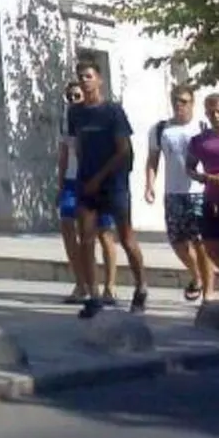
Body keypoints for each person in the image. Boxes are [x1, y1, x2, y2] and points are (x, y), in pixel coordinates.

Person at [68, 58, 148, 317]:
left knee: (125, 238)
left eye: (89, 76)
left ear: (99, 79)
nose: (84, 80)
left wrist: (99, 177)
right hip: (86, 182)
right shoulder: (76, 112)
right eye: (81, 76)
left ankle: (141, 286)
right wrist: (83, 176)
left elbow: (123, 150)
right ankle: (93, 295)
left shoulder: (113, 111)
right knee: (86, 238)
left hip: (113, 183)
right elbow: (77, 143)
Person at [145, 82, 214, 302]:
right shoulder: (160, 129)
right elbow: (153, 159)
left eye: (183, 101)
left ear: (192, 103)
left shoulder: (202, 127)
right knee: (177, 241)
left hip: (198, 191)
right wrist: (149, 185)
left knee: (201, 242)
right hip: (173, 192)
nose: (178, 105)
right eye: (175, 101)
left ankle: (209, 291)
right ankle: (196, 276)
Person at [56, 79, 119, 305]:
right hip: (73, 181)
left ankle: (110, 286)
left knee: (103, 232)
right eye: (70, 97)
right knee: (67, 225)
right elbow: (63, 152)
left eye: (77, 95)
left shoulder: (102, 115)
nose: (73, 100)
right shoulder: (69, 120)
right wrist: (60, 182)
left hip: (97, 180)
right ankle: (82, 283)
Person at [186, 91, 219, 299]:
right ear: (206, 113)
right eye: (211, 112)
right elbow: (189, 167)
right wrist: (199, 176)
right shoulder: (198, 141)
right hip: (211, 201)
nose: (216, 116)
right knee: (213, 250)